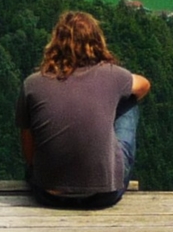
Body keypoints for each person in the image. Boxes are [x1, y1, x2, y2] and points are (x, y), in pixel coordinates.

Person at [16, 10, 151, 208]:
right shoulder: (113, 75)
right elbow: (144, 85)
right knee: (128, 101)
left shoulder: (32, 84)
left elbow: (29, 145)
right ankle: (105, 164)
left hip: (49, 194)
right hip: (103, 195)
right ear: (97, 41)